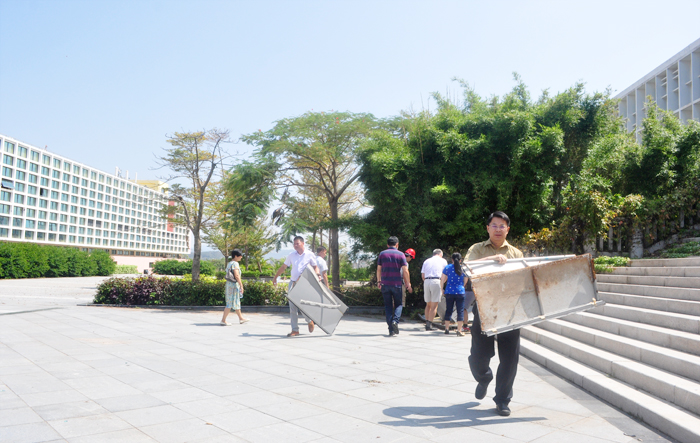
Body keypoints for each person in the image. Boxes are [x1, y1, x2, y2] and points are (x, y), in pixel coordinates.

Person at [466, 211, 524, 417]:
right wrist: (493, 259)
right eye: (494, 225)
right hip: (484, 306)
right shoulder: (477, 249)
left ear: (508, 229)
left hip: (510, 309)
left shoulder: (516, 253)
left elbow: (522, 279)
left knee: (510, 358)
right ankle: (484, 378)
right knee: (479, 355)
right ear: (488, 228)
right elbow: (467, 268)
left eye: (502, 226)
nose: (498, 229)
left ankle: (502, 400)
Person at [273, 236, 321, 337]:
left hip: (305, 283)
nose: (295, 245)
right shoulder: (291, 255)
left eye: (297, 243)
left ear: (303, 243)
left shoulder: (310, 254)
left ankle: (309, 320)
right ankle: (295, 330)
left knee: (302, 304)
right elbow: (284, 266)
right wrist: (275, 277)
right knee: (292, 306)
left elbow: (315, 267)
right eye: (294, 244)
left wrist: (318, 275)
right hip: (293, 282)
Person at [377, 236, 412, 336]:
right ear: (397, 244)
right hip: (397, 284)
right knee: (399, 304)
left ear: (387, 244)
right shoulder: (401, 254)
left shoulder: (382, 254)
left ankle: (391, 330)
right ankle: (395, 321)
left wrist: (379, 281)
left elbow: (379, 269)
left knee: (388, 306)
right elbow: (405, 270)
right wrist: (408, 283)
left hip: (385, 284)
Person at [440, 252, 467, 336]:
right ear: (460, 260)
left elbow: (442, 279)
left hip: (449, 291)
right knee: (460, 310)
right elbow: (466, 280)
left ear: (452, 259)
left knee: (448, 309)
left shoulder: (447, 267)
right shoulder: (463, 268)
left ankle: (446, 329)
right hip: (460, 291)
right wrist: (462, 286)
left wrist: (442, 289)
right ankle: (459, 330)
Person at [221, 249, 249, 325]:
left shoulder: (229, 263)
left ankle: (241, 318)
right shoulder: (235, 264)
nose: (241, 257)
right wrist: (241, 285)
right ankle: (223, 320)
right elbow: (237, 275)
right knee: (230, 303)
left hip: (229, 285)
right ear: (236, 256)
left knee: (235, 302)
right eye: (240, 256)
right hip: (234, 285)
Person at [421, 249, 447, 330]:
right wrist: (442, 284)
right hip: (436, 281)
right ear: (440, 254)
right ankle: (430, 324)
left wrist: (426, 281)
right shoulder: (443, 261)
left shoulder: (426, 261)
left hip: (426, 281)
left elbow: (423, 275)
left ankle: (427, 322)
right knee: (434, 305)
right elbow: (445, 275)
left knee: (428, 304)